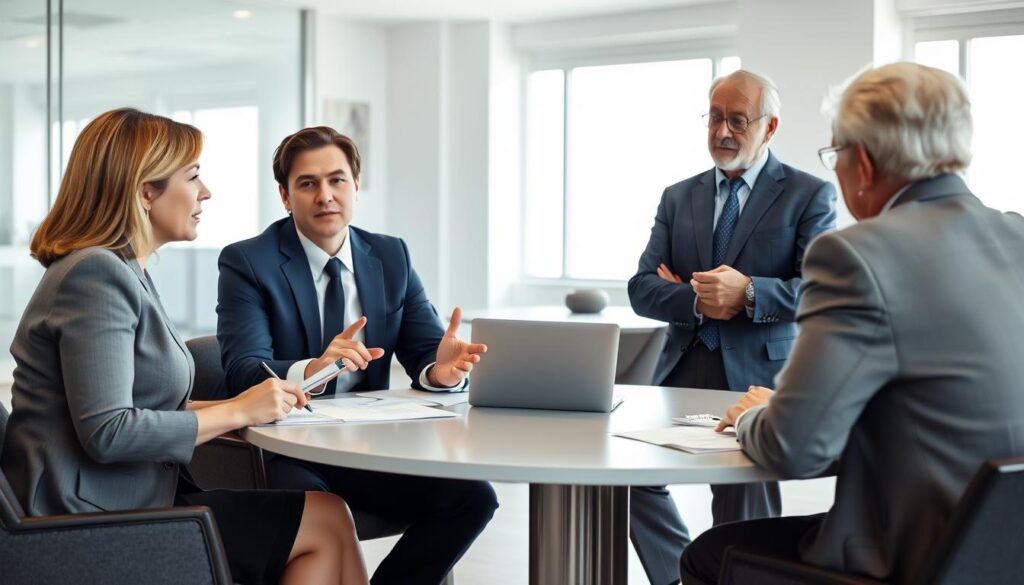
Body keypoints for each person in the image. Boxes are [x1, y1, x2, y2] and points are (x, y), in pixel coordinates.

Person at [680, 62, 1024, 584]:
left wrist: (755, 414)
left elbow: (792, 449)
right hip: (1005, 547)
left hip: (913, 558)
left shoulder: (855, 257)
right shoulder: (1016, 237)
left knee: (708, 553)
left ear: (862, 164)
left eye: (834, 153)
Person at [0, 108, 368, 585]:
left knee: (330, 516)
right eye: (193, 177)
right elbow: (108, 431)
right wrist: (237, 413)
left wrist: (243, 406)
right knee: (324, 524)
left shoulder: (125, 271)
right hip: (87, 519)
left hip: (130, 496)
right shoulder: (96, 276)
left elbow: (140, 405)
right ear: (144, 191)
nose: (206, 192)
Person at [216, 126, 497, 585]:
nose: (325, 195)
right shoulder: (248, 262)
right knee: (316, 512)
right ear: (285, 196)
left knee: (473, 498)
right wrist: (314, 369)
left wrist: (440, 372)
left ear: (356, 187)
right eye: (307, 183)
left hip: (370, 448)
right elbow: (241, 371)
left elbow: (429, 352)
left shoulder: (391, 256)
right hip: (291, 449)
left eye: (337, 180)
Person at [627, 70, 837, 585]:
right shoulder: (678, 197)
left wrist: (746, 292)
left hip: (756, 381)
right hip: (681, 369)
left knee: (743, 507)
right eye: (715, 117)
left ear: (769, 128)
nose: (723, 131)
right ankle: (683, 576)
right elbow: (640, 287)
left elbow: (819, 289)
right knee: (626, 481)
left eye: (738, 121)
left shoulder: (810, 195)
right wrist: (701, 302)